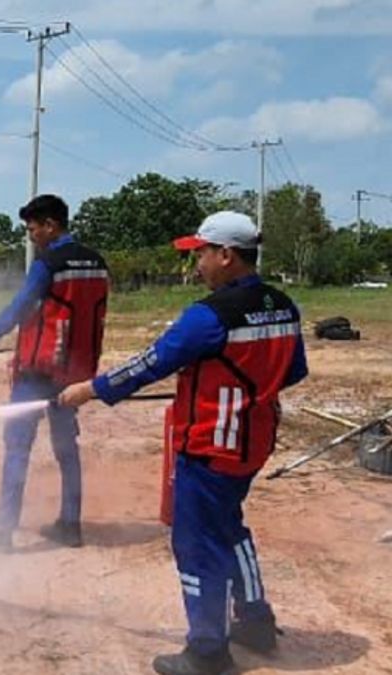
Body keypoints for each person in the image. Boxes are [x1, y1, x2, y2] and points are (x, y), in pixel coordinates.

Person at [58, 211, 308, 675]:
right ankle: (255, 620)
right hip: (253, 440)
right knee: (229, 526)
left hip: (211, 444)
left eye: (201, 253)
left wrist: (87, 390)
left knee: (196, 543)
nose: (196, 264)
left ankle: (208, 650)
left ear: (226, 255)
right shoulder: (283, 304)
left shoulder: (208, 316)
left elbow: (148, 364)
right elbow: (293, 371)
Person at [0, 194, 109, 550]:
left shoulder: (47, 263)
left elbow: (17, 311)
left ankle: (1, 531)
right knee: (67, 448)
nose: (31, 236)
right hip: (75, 373)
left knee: (17, 445)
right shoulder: (98, 262)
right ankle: (70, 524)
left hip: (38, 373)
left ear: (51, 226)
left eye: (33, 229)